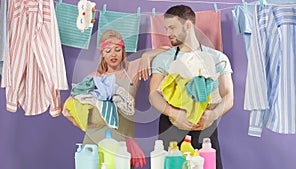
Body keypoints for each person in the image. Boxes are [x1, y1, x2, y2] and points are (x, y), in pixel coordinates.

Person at [62, 29, 168, 168]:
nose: (113, 54)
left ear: (123, 51)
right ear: (102, 54)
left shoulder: (133, 69)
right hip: (94, 141)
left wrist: (146, 56)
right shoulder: (94, 77)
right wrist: (84, 124)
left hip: (122, 143)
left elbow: (167, 49)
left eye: (117, 49)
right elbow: (66, 109)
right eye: (108, 51)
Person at [149, 5, 234, 169]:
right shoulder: (163, 59)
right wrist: (174, 113)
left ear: (188, 25)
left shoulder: (217, 58)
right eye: (166, 28)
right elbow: (153, 95)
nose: (168, 33)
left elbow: (229, 96)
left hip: (205, 127)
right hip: (171, 126)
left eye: (172, 27)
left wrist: (213, 114)